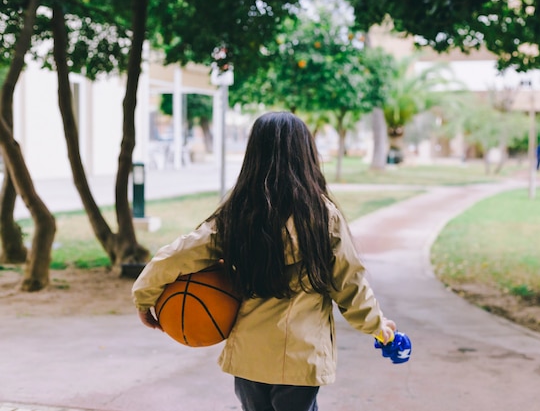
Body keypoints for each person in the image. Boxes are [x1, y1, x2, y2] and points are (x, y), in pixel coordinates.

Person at [132, 111, 397, 411]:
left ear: (253, 155)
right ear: (306, 155)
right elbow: (349, 284)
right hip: (301, 356)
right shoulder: (323, 217)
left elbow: (178, 254)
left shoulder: (237, 214)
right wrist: (377, 326)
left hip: (250, 357)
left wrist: (145, 297)